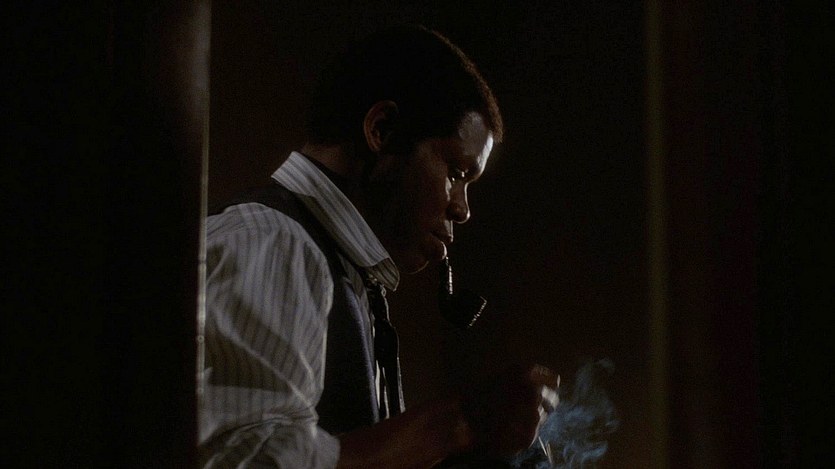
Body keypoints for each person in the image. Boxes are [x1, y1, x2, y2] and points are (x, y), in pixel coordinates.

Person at [199, 25, 559, 468]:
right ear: (382, 130)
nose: (462, 209)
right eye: (455, 172)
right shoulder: (276, 244)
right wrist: (459, 424)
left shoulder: (337, 269)